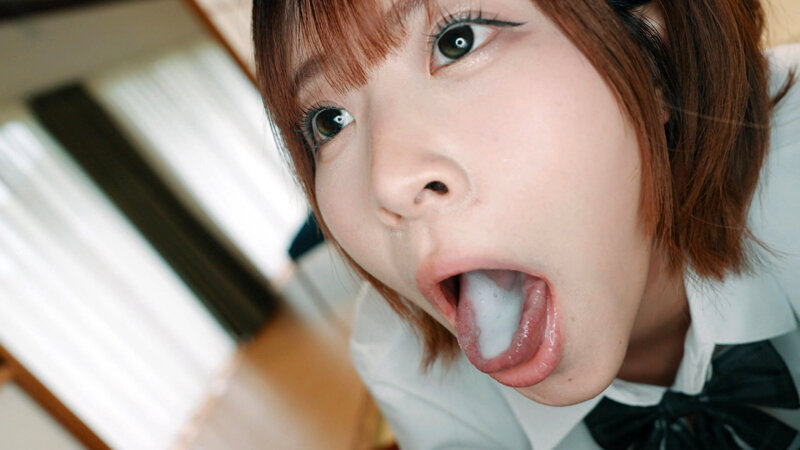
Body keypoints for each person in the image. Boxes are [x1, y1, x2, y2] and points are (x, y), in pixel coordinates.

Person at [252, 0, 800, 448]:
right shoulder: (402, 363)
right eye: (330, 121)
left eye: (457, 41)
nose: (388, 180)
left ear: (653, 54)